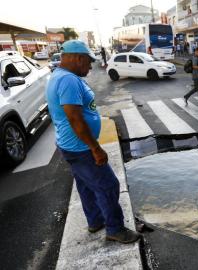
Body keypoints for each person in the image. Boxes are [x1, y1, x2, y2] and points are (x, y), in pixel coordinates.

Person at [46, 40, 140, 244]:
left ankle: (95, 220)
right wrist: (95, 148)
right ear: (78, 58)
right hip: (80, 148)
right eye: (88, 62)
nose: (90, 67)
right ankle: (115, 228)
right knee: (108, 185)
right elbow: (75, 118)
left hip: (71, 145)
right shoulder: (68, 80)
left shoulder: (62, 76)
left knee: (86, 185)